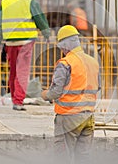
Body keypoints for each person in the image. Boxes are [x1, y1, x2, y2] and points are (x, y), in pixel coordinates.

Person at [41, 25, 100, 164]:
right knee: (83, 158)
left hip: (68, 118)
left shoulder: (66, 63)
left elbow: (55, 92)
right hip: (88, 117)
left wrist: (44, 95)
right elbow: (97, 87)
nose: (61, 50)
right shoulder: (93, 62)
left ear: (66, 44)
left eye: (61, 46)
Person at [0, 0, 50, 111]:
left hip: (10, 43)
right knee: (22, 72)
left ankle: (15, 99)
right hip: (26, 41)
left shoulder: (5, 2)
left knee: (13, 72)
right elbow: (40, 19)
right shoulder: (30, 2)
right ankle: (18, 101)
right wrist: (47, 34)